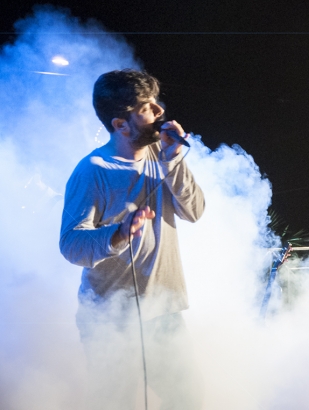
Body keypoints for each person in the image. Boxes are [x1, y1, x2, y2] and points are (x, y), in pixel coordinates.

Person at [59, 69, 205, 409]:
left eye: (156, 102)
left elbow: (195, 211)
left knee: (188, 401)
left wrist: (174, 159)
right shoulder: (93, 170)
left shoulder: (163, 155)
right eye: (146, 107)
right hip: (110, 318)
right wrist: (119, 234)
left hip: (164, 312)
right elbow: (71, 244)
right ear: (120, 124)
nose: (158, 111)